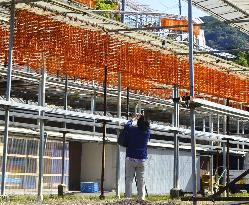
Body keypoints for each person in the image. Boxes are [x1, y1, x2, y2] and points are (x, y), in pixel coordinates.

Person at [124, 114, 150, 200]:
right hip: (142, 159)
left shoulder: (132, 130)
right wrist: (143, 118)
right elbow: (147, 125)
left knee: (129, 179)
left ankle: (128, 198)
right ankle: (141, 198)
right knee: (141, 180)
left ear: (138, 123)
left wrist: (133, 118)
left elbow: (127, 125)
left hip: (131, 158)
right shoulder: (147, 132)